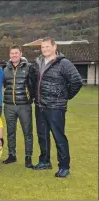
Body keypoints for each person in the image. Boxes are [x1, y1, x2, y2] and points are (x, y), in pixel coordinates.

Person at [32, 37, 83, 178]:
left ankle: (64, 166)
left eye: (47, 47)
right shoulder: (39, 62)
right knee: (42, 135)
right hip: (40, 105)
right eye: (43, 47)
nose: (45, 49)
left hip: (55, 107)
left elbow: (77, 81)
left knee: (58, 137)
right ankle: (44, 161)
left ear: (55, 47)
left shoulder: (64, 63)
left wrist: (64, 96)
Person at [2, 45, 35, 168]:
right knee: (10, 132)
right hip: (9, 105)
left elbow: (34, 83)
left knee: (27, 132)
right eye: (12, 53)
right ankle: (12, 155)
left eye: (16, 53)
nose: (14, 55)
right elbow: (5, 85)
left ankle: (28, 157)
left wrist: (31, 98)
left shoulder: (29, 67)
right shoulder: (6, 69)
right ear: (9, 55)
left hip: (24, 106)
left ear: (20, 54)